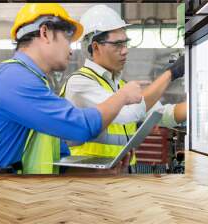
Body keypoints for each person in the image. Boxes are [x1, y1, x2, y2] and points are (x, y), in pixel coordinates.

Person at [0, 3, 145, 175]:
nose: (71, 51)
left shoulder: (38, 83)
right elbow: (81, 126)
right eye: (67, 40)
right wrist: (122, 96)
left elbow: (59, 160)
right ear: (45, 33)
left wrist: (99, 174)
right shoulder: (13, 78)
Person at [60, 4, 187, 173]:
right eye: (118, 44)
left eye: (125, 43)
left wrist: (201, 109)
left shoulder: (120, 85)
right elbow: (130, 113)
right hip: (90, 176)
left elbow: (160, 115)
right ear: (95, 47)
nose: (125, 51)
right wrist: (171, 73)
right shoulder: (80, 84)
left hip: (122, 171)